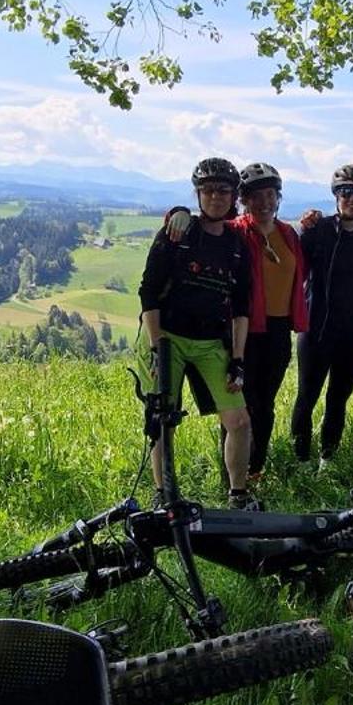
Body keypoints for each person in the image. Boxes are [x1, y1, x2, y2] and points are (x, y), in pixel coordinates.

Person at [137, 157, 257, 507]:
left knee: (239, 420)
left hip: (210, 343)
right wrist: (156, 348)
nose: (215, 197)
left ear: (233, 195)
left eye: (223, 191)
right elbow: (148, 292)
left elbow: (241, 307)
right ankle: (164, 495)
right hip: (169, 338)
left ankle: (238, 494)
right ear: (197, 193)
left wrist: (238, 359)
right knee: (163, 421)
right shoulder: (178, 231)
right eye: (207, 190)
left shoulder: (236, 245)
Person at [226, 161, 307, 481]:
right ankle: (233, 475)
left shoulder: (288, 234)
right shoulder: (235, 232)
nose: (264, 203)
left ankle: (255, 469)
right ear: (243, 200)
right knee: (239, 407)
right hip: (244, 329)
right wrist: (176, 212)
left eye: (270, 195)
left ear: (278, 197)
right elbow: (201, 226)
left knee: (266, 404)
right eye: (255, 197)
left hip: (277, 330)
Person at [292, 163, 353, 464]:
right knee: (307, 397)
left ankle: (327, 460)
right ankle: (301, 459)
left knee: (337, 400)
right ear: (335, 195)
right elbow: (294, 269)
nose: (352, 198)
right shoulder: (318, 231)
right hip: (315, 330)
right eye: (345, 192)